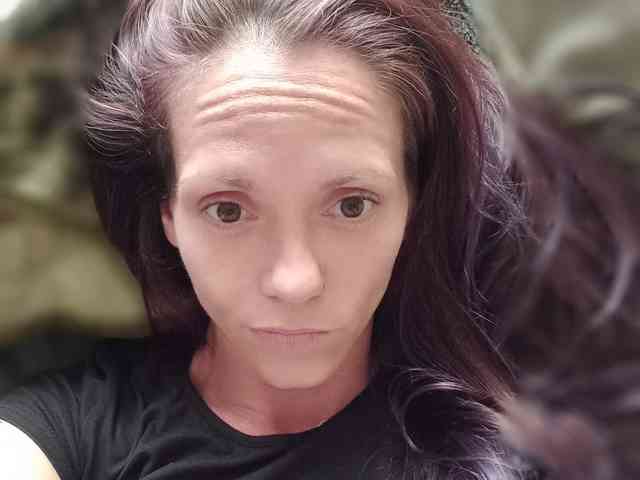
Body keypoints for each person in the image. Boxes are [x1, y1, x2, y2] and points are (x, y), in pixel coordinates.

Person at [1, 0, 636, 478]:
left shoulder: (520, 449)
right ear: (168, 214)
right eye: (228, 210)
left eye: (351, 206)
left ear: (413, 207)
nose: (295, 281)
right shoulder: (67, 429)